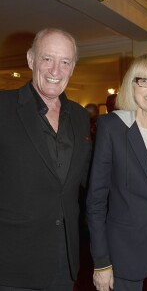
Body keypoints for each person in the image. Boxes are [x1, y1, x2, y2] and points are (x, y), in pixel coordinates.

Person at [0, 28, 92, 290]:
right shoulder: (3, 107)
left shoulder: (80, 117)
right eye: (47, 59)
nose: (55, 70)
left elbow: (90, 179)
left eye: (65, 62)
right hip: (11, 267)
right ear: (31, 59)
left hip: (64, 263)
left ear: (73, 67)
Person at [87, 53, 147, 291]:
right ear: (131, 86)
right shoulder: (111, 127)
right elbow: (96, 201)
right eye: (143, 80)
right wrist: (101, 262)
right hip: (124, 250)